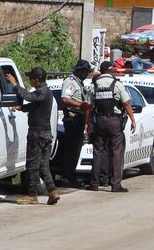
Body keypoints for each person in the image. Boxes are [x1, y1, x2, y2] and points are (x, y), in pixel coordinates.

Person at [5, 67, 59, 206]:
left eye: (31, 79)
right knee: (43, 166)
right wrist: (21, 108)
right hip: (45, 134)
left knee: (32, 166)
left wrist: (15, 84)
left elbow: (29, 97)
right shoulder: (44, 93)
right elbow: (34, 105)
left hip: (38, 134)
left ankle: (32, 195)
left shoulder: (43, 91)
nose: (31, 82)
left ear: (36, 79)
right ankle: (52, 191)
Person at [87, 62, 136, 193]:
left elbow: (89, 107)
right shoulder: (117, 85)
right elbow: (126, 104)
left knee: (97, 152)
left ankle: (94, 183)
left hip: (99, 121)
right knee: (116, 152)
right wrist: (133, 120)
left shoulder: (93, 85)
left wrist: (87, 123)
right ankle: (116, 185)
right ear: (111, 71)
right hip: (114, 121)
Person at [54, 60, 92, 186]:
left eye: (86, 71)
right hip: (72, 118)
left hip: (79, 119)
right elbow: (65, 99)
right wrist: (81, 104)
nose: (84, 73)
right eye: (82, 71)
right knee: (71, 150)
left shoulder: (79, 83)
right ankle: (67, 176)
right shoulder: (70, 81)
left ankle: (70, 175)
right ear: (76, 70)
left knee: (75, 150)